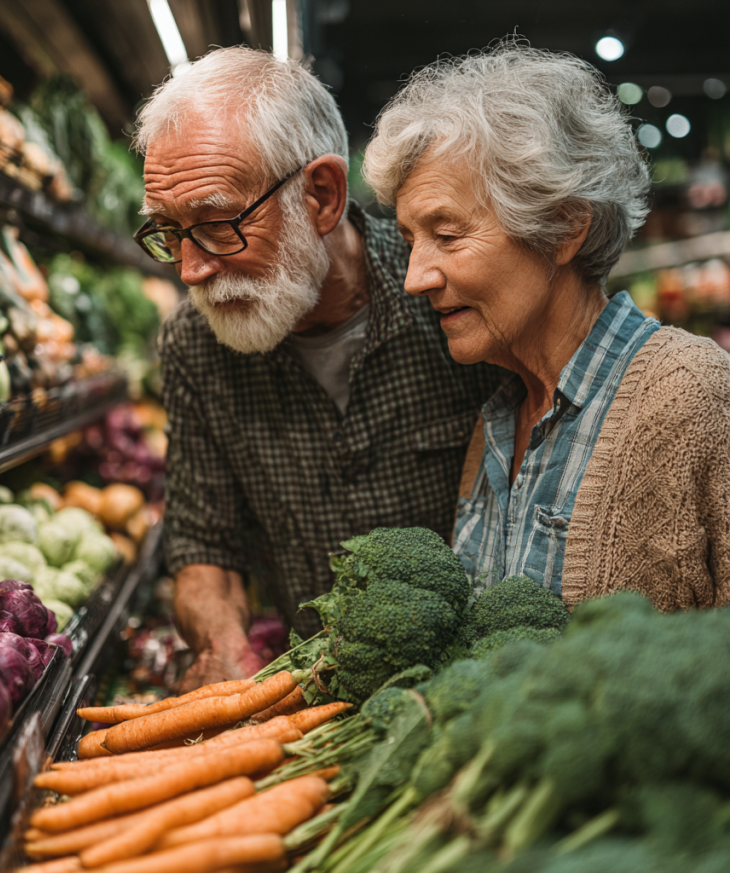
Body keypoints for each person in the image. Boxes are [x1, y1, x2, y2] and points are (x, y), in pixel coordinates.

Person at [133, 47, 499, 690]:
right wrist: (225, 648)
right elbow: (203, 545)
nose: (190, 269)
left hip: (474, 689)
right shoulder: (195, 344)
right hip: (314, 695)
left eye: (219, 225)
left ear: (322, 196)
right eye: (168, 231)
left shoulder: (448, 301)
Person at [363, 40, 730, 611]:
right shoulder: (500, 416)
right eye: (411, 242)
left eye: (448, 235)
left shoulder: (695, 396)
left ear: (563, 229)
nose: (415, 278)